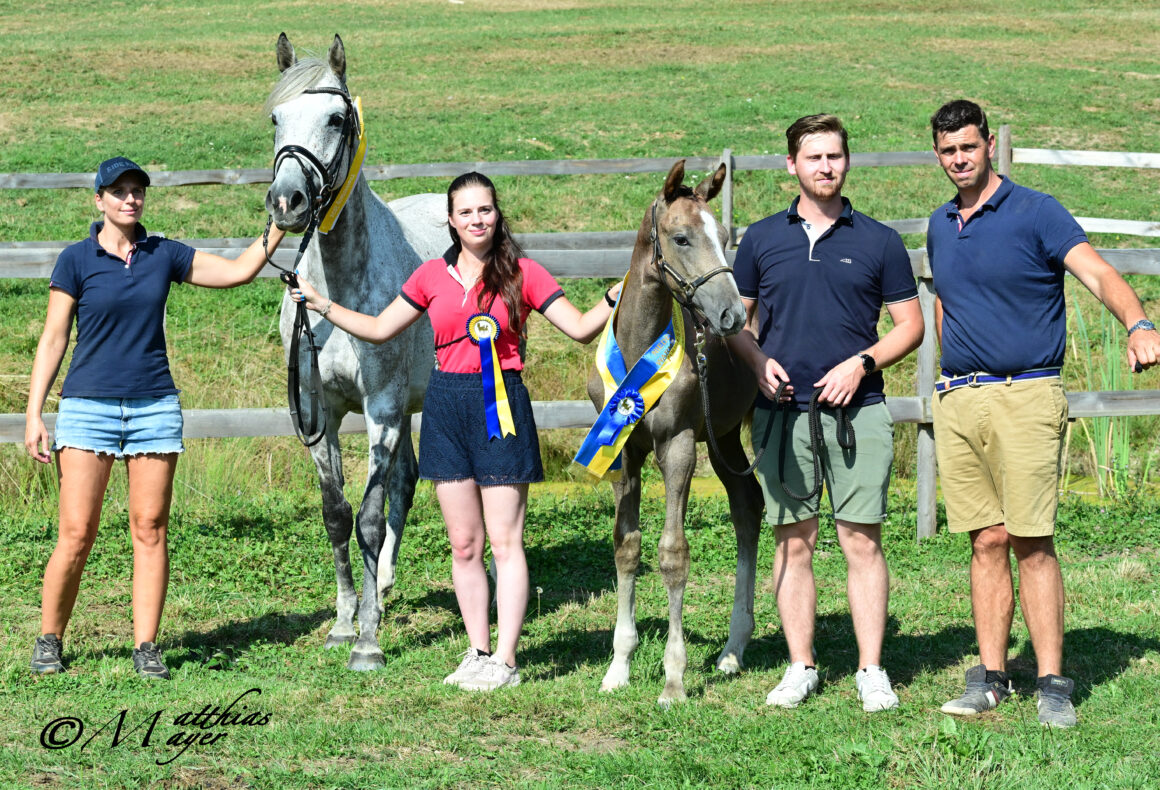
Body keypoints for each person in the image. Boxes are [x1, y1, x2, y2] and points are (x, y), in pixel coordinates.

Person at [290, 171, 618, 691]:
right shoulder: (429, 277)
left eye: (485, 210)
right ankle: (477, 650)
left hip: (501, 407)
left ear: (497, 214)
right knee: (464, 544)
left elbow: (579, 328)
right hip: (445, 405)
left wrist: (616, 294)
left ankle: (505, 661)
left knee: (506, 542)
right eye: (465, 212)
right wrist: (322, 303)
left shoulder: (523, 274)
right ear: (450, 221)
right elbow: (379, 328)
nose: (476, 220)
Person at [927, 100, 1160, 728]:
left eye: (969, 147)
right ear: (938, 154)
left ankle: (1053, 682)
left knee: (1031, 540)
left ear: (989, 148)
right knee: (985, 540)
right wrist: (949, 378)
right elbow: (948, 302)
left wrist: (1137, 323)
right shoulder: (940, 223)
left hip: (1026, 392)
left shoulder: (1037, 211)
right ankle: (991, 677)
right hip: (960, 397)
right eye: (948, 151)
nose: (959, 160)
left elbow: (1097, 272)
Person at [25, 156, 287, 679]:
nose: (130, 199)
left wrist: (280, 223)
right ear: (98, 200)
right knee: (76, 532)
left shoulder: (163, 254)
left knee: (150, 529)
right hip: (87, 410)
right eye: (118, 191)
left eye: (137, 191)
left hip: (154, 409)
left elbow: (237, 271)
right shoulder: (75, 260)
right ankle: (49, 639)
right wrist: (35, 413)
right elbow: (54, 338)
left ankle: (147, 647)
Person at [727, 115, 924, 712]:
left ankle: (870, 669)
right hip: (782, 413)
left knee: (860, 540)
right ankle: (800, 665)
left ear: (846, 162)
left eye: (835, 156)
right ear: (792, 164)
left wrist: (862, 363)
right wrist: (757, 363)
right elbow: (736, 323)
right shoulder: (761, 240)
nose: (825, 167)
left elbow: (910, 326)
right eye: (813, 157)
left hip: (858, 412)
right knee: (793, 541)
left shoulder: (879, 241)